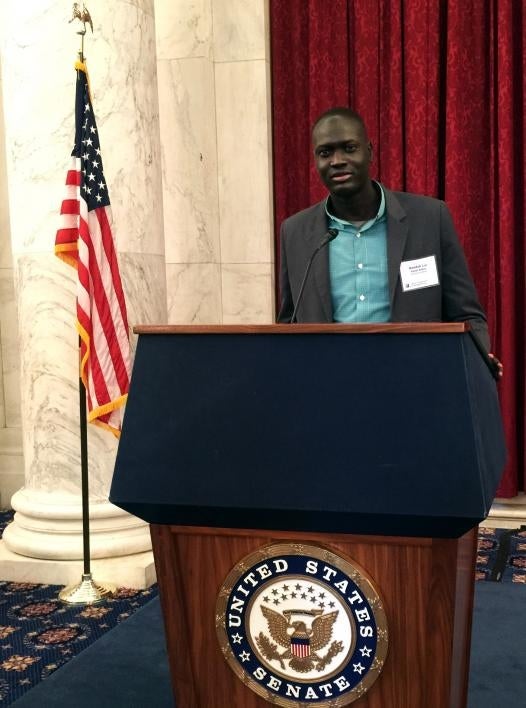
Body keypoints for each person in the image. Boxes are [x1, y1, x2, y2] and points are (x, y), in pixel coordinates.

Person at [278, 107, 495, 360]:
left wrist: (478, 364)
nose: (337, 161)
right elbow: (288, 328)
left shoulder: (429, 219)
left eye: (349, 148)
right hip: (329, 384)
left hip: (413, 381)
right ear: (315, 162)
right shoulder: (294, 233)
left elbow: (467, 316)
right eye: (325, 153)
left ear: (369, 152)